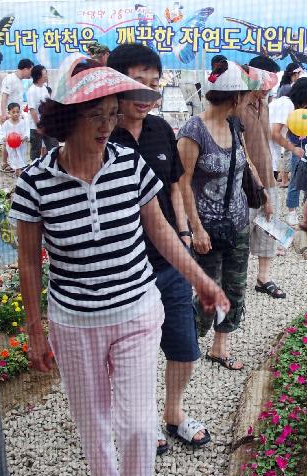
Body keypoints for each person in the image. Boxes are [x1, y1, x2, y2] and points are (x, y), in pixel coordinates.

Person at [11, 56, 228, 476]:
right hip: (74, 325)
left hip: (136, 313)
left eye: (111, 114)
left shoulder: (129, 167)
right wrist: (34, 329)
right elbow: (29, 261)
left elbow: (161, 231)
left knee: (138, 428)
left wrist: (202, 281)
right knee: (94, 429)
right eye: (95, 115)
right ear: (66, 116)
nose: (106, 126)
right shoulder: (33, 183)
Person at [106, 43, 210, 454]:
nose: (148, 94)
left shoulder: (161, 130)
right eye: (138, 84)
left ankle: (174, 413)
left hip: (168, 262)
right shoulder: (98, 133)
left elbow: (175, 186)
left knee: (182, 343)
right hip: (123, 270)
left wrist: (184, 236)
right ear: (116, 84)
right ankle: (139, 421)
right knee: (132, 355)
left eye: (154, 85)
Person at [177, 61, 275, 371]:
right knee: (209, 290)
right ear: (235, 98)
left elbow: (245, 161)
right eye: (246, 96)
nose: (249, 100)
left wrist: (262, 191)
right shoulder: (193, 131)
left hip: (237, 223)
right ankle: (185, 342)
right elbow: (182, 183)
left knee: (235, 287)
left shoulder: (235, 125)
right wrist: (195, 229)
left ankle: (220, 348)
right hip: (206, 226)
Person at [238, 55, 285, 299]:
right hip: (244, 179)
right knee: (242, 228)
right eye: (266, 85)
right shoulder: (237, 105)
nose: (268, 91)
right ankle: (237, 278)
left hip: (268, 173)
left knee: (268, 227)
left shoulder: (265, 104)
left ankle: (263, 278)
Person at [269, 77, 307, 226]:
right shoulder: (288, 105)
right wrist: (293, 149)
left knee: (269, 200)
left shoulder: (282, 101)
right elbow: (275, 133)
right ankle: (268, 239)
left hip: (269, 154)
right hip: (267, 155)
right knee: (268, 200)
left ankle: (269, 239)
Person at [0, 59, 33, 168]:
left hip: (17, 114)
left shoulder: (19, 80)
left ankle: (17, 163)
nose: (31, 74)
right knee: (7, 139)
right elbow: (4, 97)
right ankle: (4, 164)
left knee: (17, 138)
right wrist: (4, 115)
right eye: (30, 71)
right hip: (9, 114)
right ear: (25, 69)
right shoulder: (10, 79)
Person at [26, 64, 58, 159]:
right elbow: (32, 110)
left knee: (53, 146)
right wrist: (38, 125)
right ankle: (34, 169)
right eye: (45, 74)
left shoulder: (44, 88)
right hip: (36, 126)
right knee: (36, 149)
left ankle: (53, 165)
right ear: (39, 76)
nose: (46, 76)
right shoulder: (31, 91)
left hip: (47, 123)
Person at [0, 102, 29, 174]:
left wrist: (25, 137)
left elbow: (27, 131)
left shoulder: (22, 122)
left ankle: (18, 169)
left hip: (21, 144)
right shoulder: (7, 123)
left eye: (18, 112)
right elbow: (1, 133)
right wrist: (4, 138)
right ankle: (17, 170)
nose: (16, 114)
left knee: (21, 156)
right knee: (13, 156)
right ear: (9, 112)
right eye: (13, 112)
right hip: (11, 145)